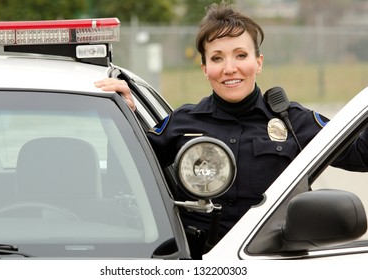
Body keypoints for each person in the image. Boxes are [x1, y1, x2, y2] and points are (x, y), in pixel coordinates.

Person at [95, 2, 368, 258]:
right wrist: (122, 116)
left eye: (241, 55)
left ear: (258, 62)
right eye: (217, 58)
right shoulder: (182, 123)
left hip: (272, 264)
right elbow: (125, 173)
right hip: (196, 262)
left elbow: (362, 154)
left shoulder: (295, 122)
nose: (229, 68)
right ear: (205, 68)